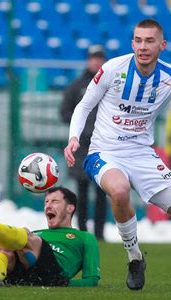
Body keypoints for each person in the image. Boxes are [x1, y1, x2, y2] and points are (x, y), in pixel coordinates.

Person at [64, 19, 171, 292]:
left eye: (150, 40)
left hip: (143, 155)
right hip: (104, 152)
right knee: (118, 190)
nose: (143, 46)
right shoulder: (112, 69)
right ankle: (134, 258)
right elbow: (83, 107)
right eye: (138, 40)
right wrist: (73, 138)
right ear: (132, 44)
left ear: (162, 45)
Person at [60, 45, 108, 240]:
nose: (97, 61)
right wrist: (81, 127)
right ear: (88, 60)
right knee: (81, 191)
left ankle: (99, 234)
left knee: (102, 192)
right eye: (93, 58)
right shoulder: (76, 86)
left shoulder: (109, 85)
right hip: (81, 148)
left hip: (103, 146)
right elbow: (64, 113)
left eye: (100, 58)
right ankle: (82, 232)